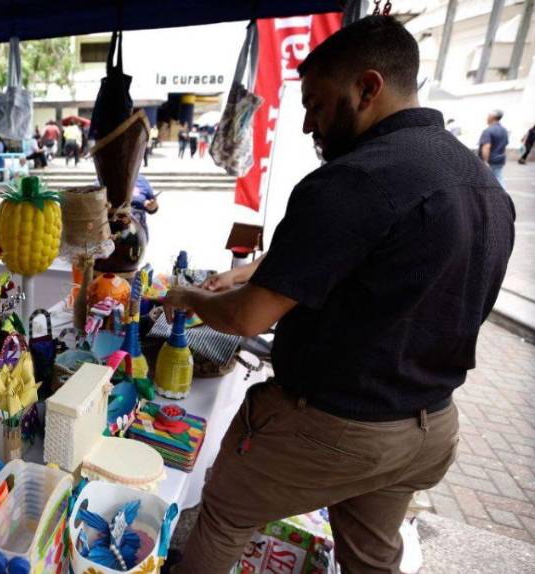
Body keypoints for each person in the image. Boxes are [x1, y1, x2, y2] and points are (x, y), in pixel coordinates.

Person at [169, 17, 514, 573]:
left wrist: (189, 298)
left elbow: (247, 318)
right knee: (371, 558)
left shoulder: (353, 180)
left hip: (337, 427)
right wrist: (251, 269)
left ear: (368, 88)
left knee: (226, 515)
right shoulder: (480, 183)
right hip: (428, 429)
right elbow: (374, 256)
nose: (308, 124)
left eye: (318, 104)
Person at [478, 109, 509, 185]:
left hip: (490, 160)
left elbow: (486, 146)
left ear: (493, 117)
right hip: (500, 159)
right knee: (499, 178)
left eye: (488, 116)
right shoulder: (504, 130)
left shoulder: (488, 130)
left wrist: (485, 161)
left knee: (487, 181)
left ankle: (496, 195)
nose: (487, 118)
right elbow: (504, 146)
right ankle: (502, 194)